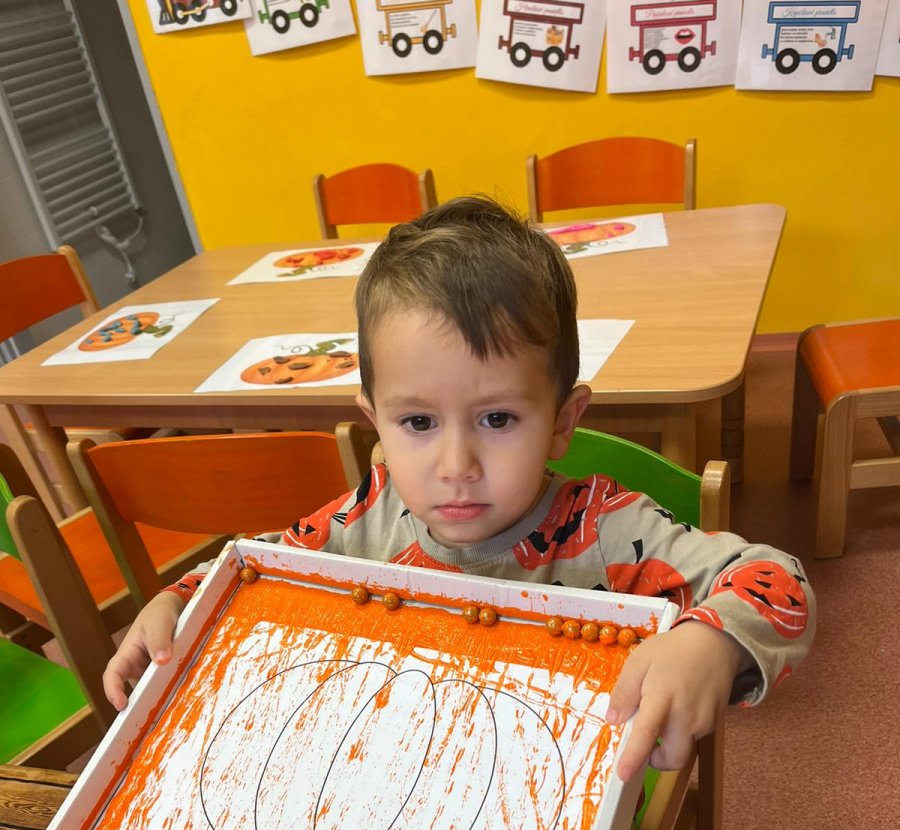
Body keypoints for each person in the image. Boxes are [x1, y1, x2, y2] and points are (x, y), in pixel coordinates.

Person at [104, 195, 815, 789]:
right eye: (417, 422)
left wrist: (710, 643)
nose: (456, 465)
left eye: (497, 419)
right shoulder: (371, 512)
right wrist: (180, 599)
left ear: (562, 422)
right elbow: (259, 567)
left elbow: (777, 579)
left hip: (565, 793)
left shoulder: (606, 530)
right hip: (403, 778)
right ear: (375, 421)